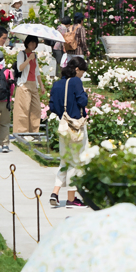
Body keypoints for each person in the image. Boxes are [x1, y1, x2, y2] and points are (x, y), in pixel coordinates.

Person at [48, 58, 89, 208]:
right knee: (76, 161)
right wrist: (85, 95)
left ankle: (55, 192)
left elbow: (52, 105)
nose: (82, 75)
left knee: (65, 160)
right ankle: (71, 198)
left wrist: (63, 114)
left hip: (63, 126)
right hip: (76, 126)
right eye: (83, 72)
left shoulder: (57, 84)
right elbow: (82, 102)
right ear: (77, 69)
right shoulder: (76, 82)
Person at [14, 36, 46, 136]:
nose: (33, 45)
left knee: (36, 109)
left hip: (33, 84)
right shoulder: (22, 54)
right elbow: (20, 68)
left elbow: (36, 72)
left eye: (35, 43)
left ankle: (34, 133)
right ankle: (22, 133)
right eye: (31, 43)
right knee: (24, 109)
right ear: (27, 43)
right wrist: (28, 59)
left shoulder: (34, 55)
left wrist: (41, 85)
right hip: (24, 84)